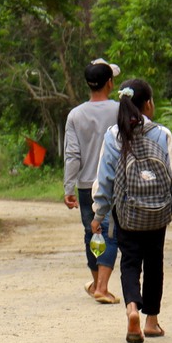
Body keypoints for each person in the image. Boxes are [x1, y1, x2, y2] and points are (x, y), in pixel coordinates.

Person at [92, 78, 172, 343]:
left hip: (126, 213)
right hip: (158, 212)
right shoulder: (162, 134)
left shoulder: (113, 136)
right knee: (154, 263)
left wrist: (98, 214)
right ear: (148, 104)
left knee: (129, 262)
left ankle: (131, 310)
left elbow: (104, 180)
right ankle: (152, 321)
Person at [62, 58, 122, 303]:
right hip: (114, 183)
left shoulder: (75, 114)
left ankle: (97, 282)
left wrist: (68, 186)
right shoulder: (120, 110)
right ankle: (102, 287)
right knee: (110, 233)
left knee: (91, 232)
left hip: (86, 185)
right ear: (110, 82)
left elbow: (72, 154)